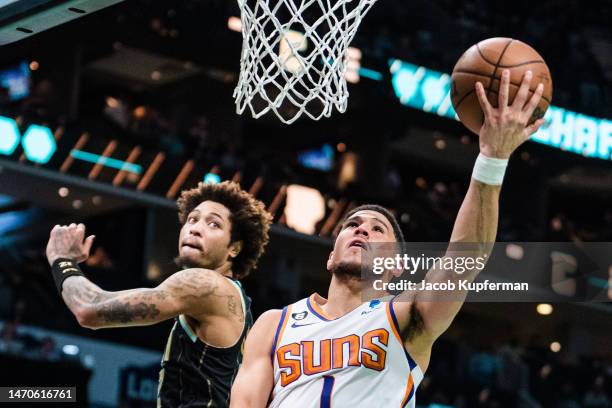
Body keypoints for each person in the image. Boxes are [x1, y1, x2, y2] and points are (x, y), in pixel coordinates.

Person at [230, 70, 546, 407]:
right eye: (351, 224)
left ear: (396, 265)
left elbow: (464, 260)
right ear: (330, 256)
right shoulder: (275, 323)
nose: (361, 229)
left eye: (378, 229)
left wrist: (493, 158)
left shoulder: (405, 315)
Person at [46, 181, 272, 407]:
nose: (195, 228)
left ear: (234, 248)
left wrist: (61, 260)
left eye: (213, 224)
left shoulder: (205, 284)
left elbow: (89, 310)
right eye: (192, 219)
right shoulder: (234, 298)